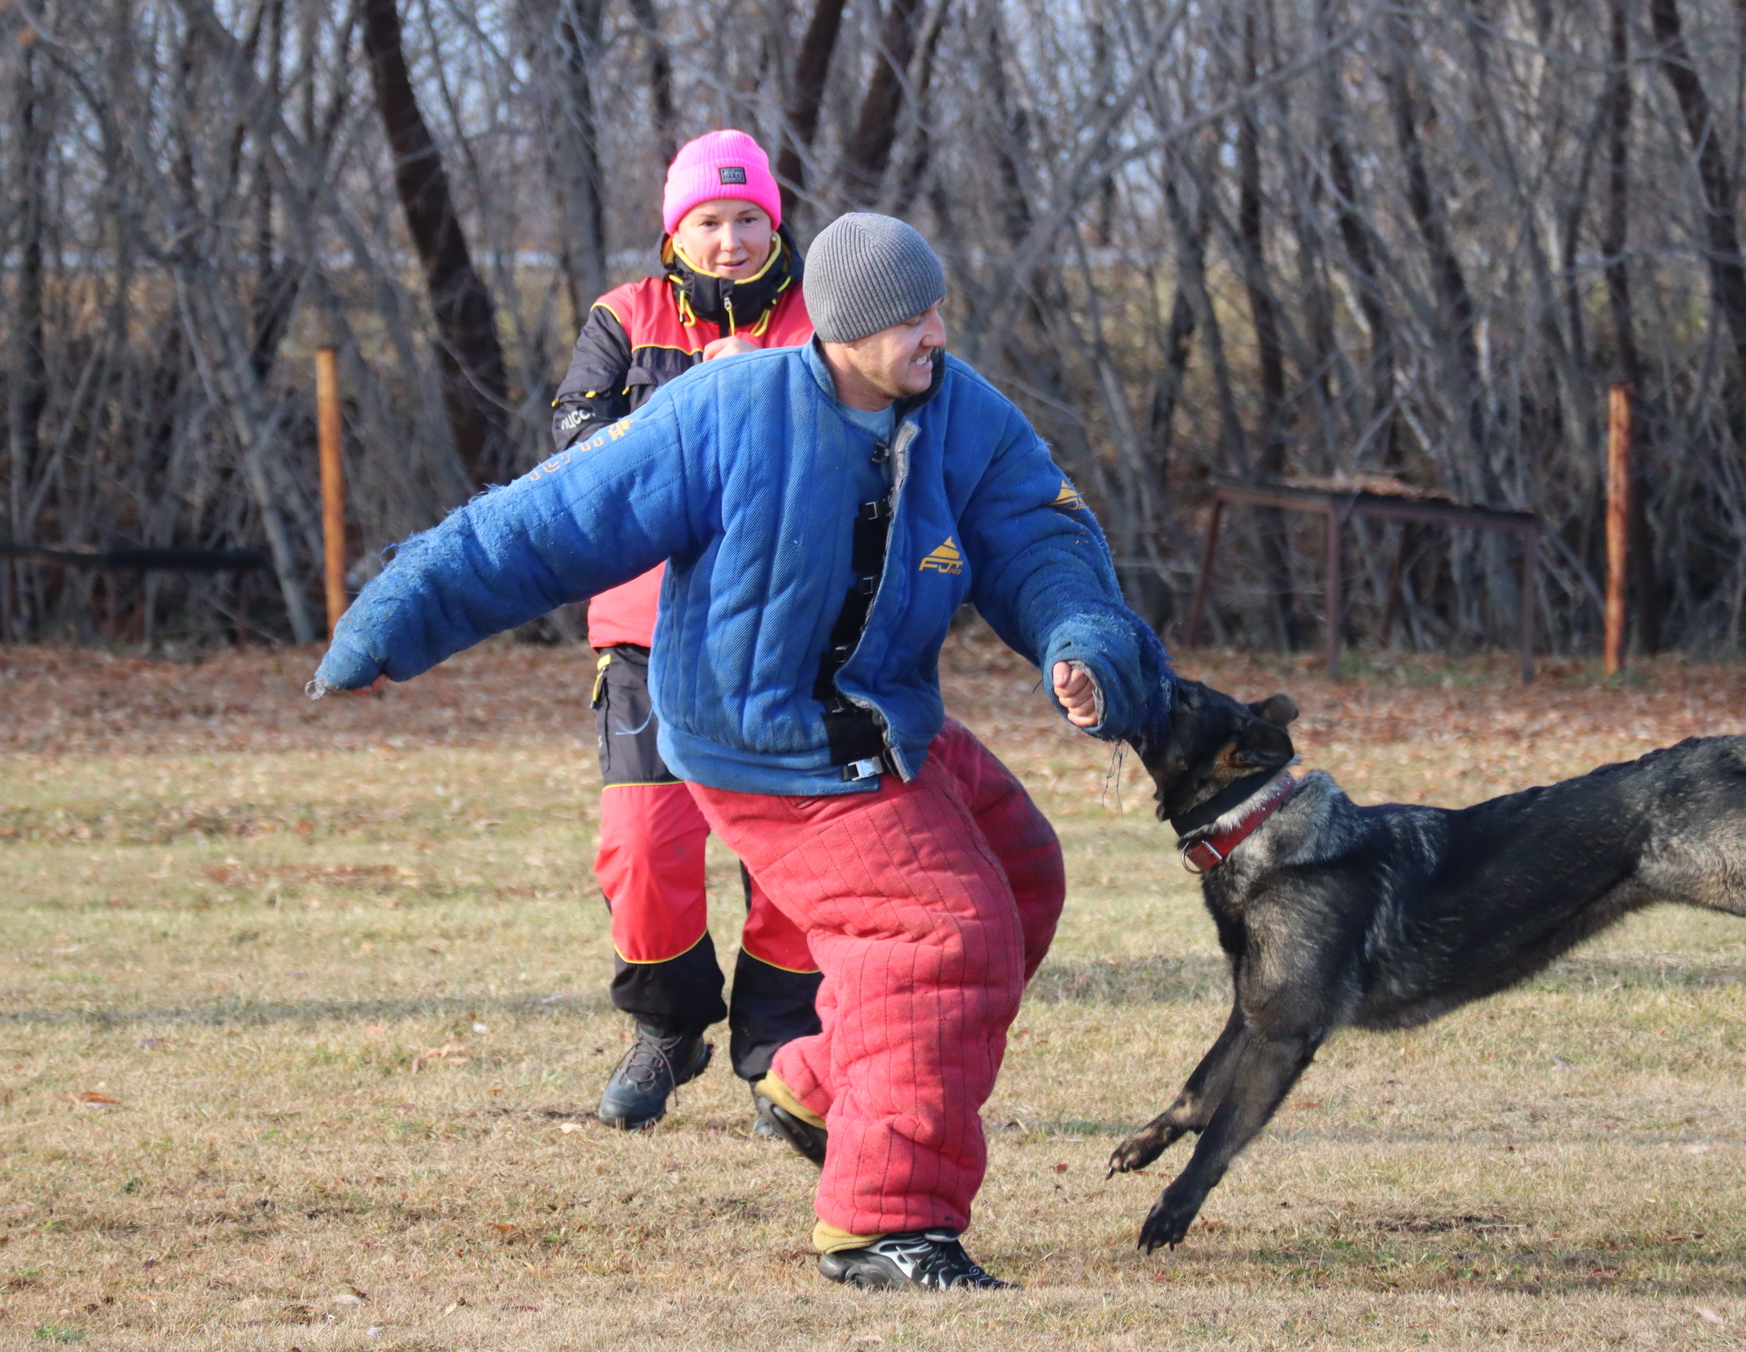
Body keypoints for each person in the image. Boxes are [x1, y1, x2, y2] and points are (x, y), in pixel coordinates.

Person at [311, 213, 1170, 1291]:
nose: (934, 335)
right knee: (941, 936)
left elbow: (1041, 539)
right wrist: (391, 618)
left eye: (937, 310)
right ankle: (884, 1222)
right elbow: (541, 523)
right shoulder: (726, 411)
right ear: (848, 328)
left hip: (885, 721)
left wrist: (1079, 643)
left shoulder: (961, 414)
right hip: (761, 741)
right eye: (910, 319)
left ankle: (814, 1085)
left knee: (1017, 873)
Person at [548, 130, 821, 1133]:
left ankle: (781, 1047)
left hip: (789, 630)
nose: (730, 239)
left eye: (747, 218)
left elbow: (871, 433)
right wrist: (699, 397)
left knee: (790, 852)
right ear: (675, 229)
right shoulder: (624, 317)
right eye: (708, 220)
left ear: (774, 220)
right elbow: (577, 446)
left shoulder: (821, 313)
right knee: (640, 845)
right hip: (644, 630)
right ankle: (666, 1030)